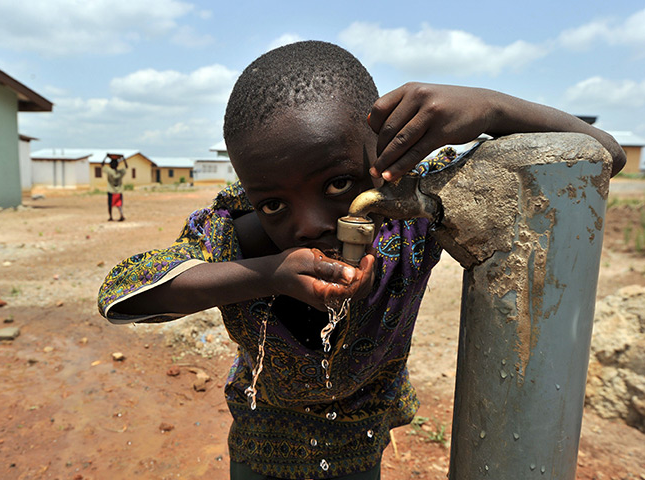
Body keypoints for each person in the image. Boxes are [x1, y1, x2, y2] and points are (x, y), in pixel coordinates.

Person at [98, 41, 625, 480]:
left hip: (361, 441)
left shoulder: (417, 208)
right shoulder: (234, 237)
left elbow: (604, 155)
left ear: (385, 154)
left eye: (337, 183)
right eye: (274, 204)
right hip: (262, 444)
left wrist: (492, 107)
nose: (305, 224)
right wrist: (266, 275)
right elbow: (120, 296)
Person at [102, 153, 128, 221]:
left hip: (111, 190)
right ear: (117, 165)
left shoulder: (109, 171)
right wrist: (123, 159)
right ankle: (121, 215)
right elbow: (126, 167)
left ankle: (111, 217)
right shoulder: (120, 172)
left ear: (110, 165)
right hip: (119, 191)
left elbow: (102, 165)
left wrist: (106, 157)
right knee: (119, 204)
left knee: (110, 205)